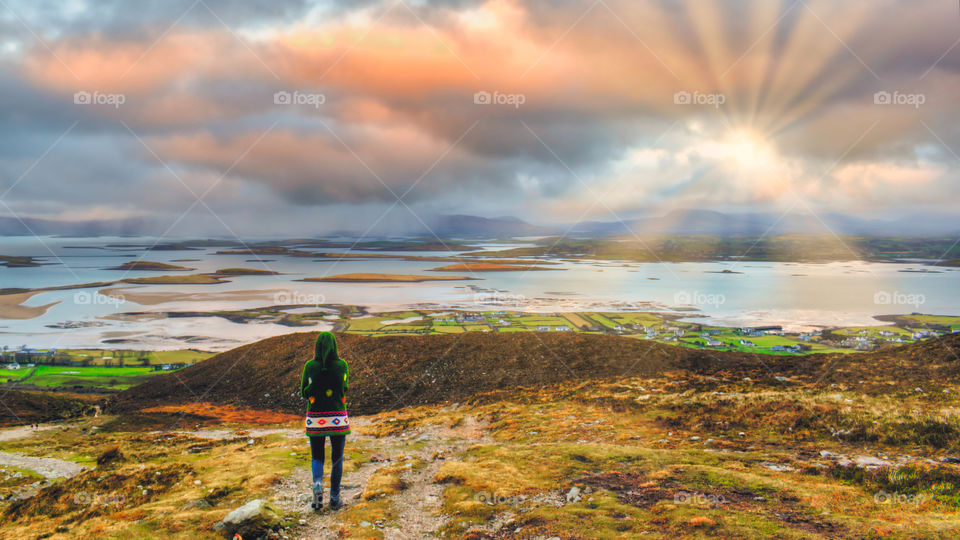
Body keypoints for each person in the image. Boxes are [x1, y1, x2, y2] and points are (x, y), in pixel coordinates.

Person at [300, 332, 350, 510]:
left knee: (317, 456)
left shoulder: (310, 366)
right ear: (334, 346)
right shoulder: (342, 365)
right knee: (337, 458)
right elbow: (344, 389)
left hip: (315, 419)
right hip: (337, 418)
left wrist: (314, 387)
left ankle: (318, 491)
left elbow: (304, 392)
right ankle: (335, 499)